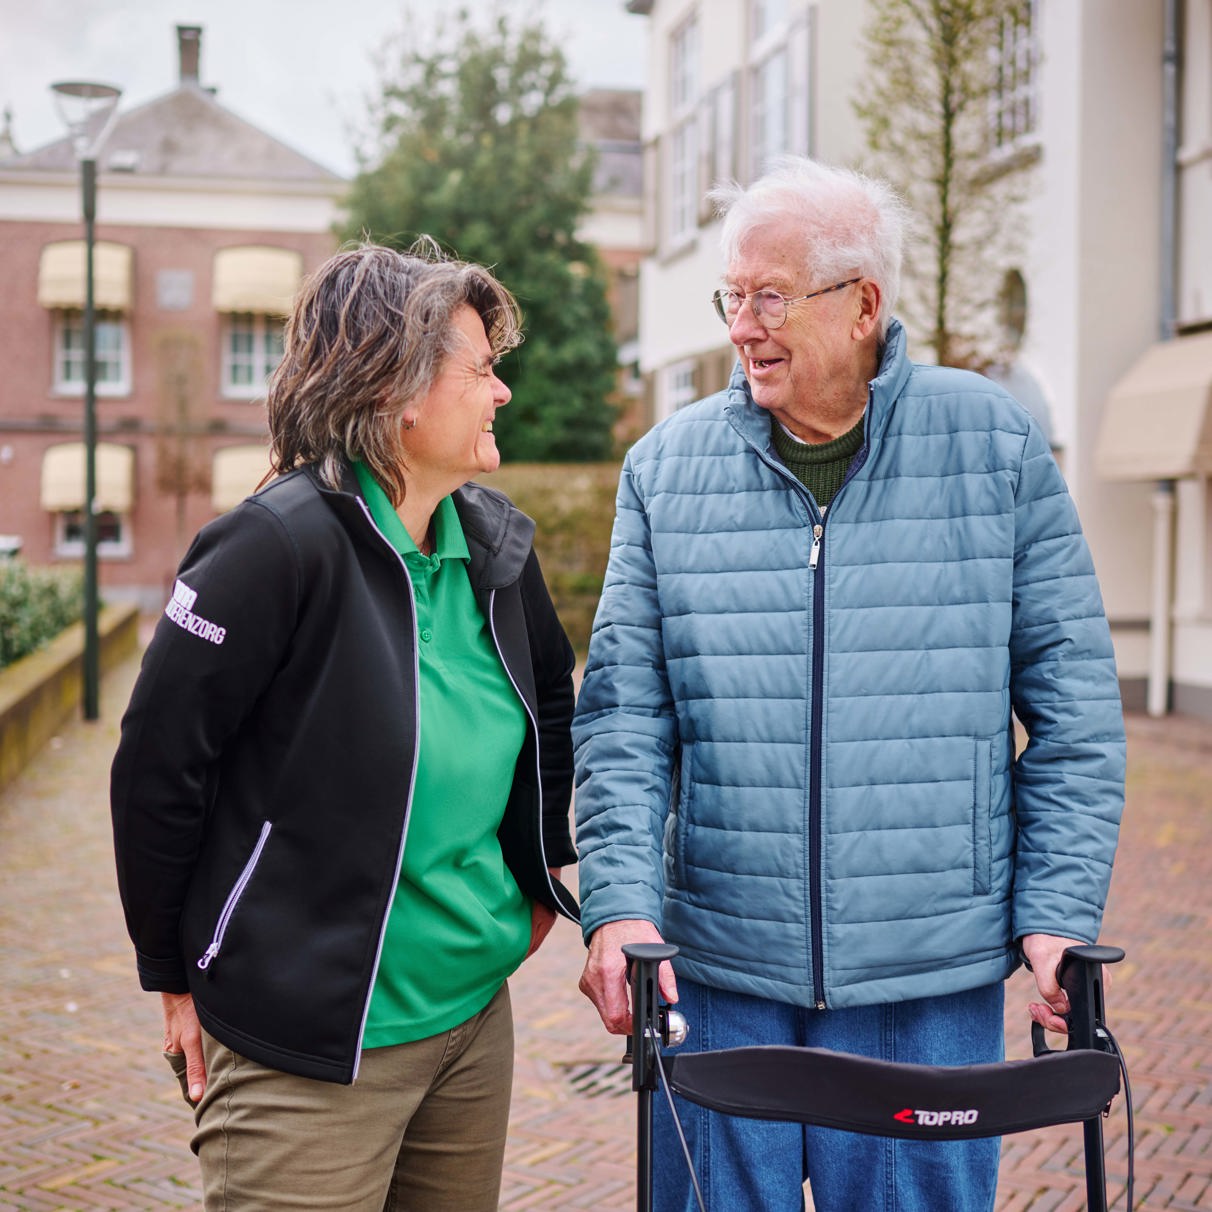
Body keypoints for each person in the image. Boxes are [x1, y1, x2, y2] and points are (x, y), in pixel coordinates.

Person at [573, 157, 1125, 1212]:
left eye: (769, 295)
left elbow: (1075, 710)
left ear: (864, 304)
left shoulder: (994, 447)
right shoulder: (663, 471)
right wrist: (621, 906)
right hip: (720, 977)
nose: (742, 325)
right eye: (732, 296)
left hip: (929, 981)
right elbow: (625, 720)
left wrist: (1053, 910)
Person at [111, 241, 579, 1212]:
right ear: (399, 391)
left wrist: (538, 883)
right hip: (305, 1045)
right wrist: (175, 975)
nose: (501, 392)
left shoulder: (495, 544)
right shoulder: (271, 547)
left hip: (471, 1028)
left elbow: (552, 707)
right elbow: (158, 768)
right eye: (480, 369)